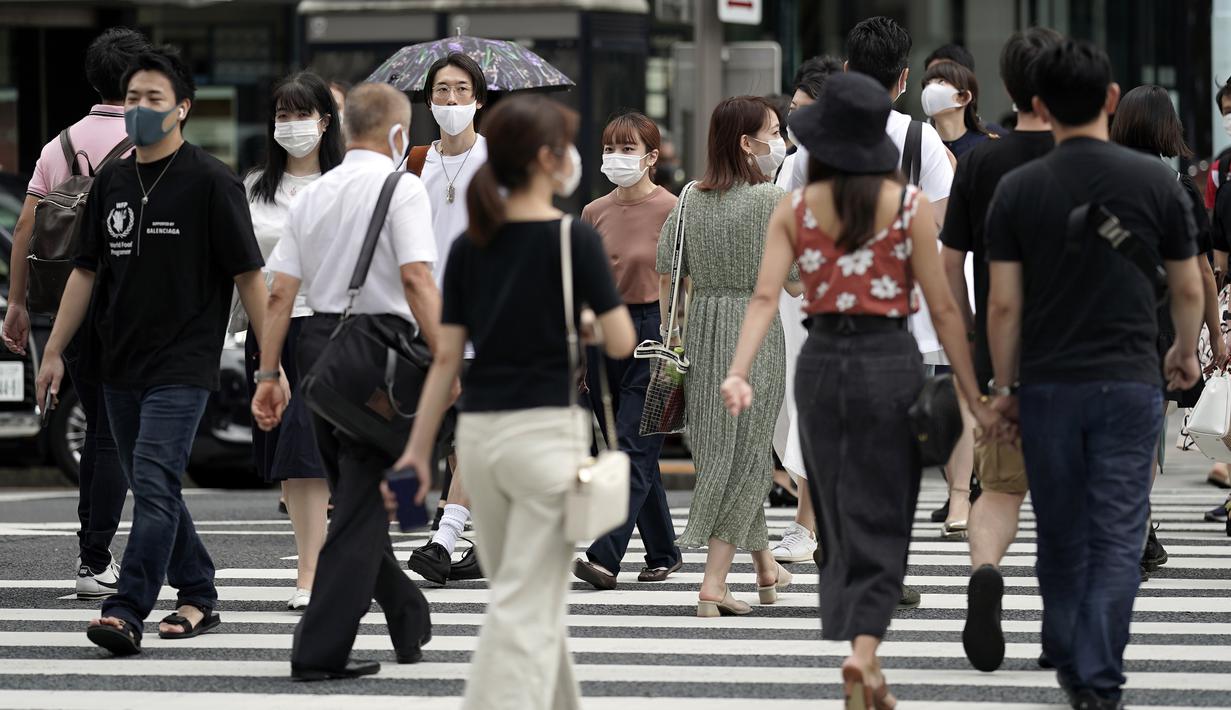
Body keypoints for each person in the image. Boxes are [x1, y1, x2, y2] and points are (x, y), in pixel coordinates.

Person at [723, 72, 1000, 710]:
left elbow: (767, 295)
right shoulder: (903, 207)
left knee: (839, 515)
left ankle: (854, 641)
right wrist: (972, 390)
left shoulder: (794, 208)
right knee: (887, 508)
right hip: (889, 362)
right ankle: (865, 653)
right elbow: (944, 307)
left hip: (821, 364)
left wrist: (739, 370)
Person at [384, 93, 635, 709]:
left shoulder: (473, 244)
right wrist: (585, 323)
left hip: (481, 443)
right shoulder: (572, 238)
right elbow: (624, 340)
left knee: (528, 593)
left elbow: (447, 357)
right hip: (545, 435)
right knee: (525, 599)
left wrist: (418, 452)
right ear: (550, 159)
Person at [985, 40, 1205, 709]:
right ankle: (1097, 675)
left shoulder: (1016, 189)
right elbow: (1188, 288)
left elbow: (1000, 304)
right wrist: (1184, 351)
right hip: (1131, 381)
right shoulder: (1156, 184)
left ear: (1040, 106)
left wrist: (1002, 388)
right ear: (1110, 101)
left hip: (1049, 384)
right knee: (1116, 530)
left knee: (1058, 526)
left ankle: (1065, 644)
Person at [34, 45, 269, 655]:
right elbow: (85, 271)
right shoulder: (112, 178)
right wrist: (55, 350)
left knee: (156, 478)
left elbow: (250, 278)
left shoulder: (213, 182)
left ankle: (127, 607)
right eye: (133, 99)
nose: (140, 110)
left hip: (183, 362)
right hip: (117, 361)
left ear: (182, 109)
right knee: (152, 483)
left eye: (154, 100)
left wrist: (270, 365)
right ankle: (199, 592)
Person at [251, 82, 438, 681]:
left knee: (356, 494)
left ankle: (407, 613)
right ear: (396, 133)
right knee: (359, 506)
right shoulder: (401, 187)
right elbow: (415, 280)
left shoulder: (313, 194)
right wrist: (448, 356)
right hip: (379, 356)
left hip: (317, 351)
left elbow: (280, 293)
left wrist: (267, 374)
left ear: (341, 127)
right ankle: (318, 650)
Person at [789, 15, 955, 608]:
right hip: (900, 324)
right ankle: (880, 564)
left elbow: (793, 230)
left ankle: (841, 545)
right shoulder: (923, 141)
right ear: (905, 77)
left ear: (848, 73)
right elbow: (937, 226)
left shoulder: (812, 142)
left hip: (828, 320)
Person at [3, 27, 148, 600]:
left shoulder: (59, 145)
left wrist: (18, 304)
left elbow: (23, 228)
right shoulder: (150, 138)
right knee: (111, 433)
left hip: (69, 303)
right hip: (130, 305)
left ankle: (94, 553)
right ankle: (95, 556)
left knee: (98, 426)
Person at [938, 26, 1061, 673]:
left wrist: (965, 339)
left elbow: (949, 262)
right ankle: (1061, 626)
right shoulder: (1084, 156)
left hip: (1000, 356)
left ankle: (985, 570)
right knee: (1070, 499)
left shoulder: (981, 160)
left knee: (999, 490)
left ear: (1007, 88)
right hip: (1079, 358)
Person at [662, 95, 799, 618]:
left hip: (702, 331)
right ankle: (712, 584)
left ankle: (765, 569)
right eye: (773, 131)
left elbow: (669, 270)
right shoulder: (772, 200)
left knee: (725, 449)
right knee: (747, 461)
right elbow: (794, 285)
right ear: (746, 143)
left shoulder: (690, 197)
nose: (779, 141)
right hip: (755, 334)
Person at [232, 71, 344, 612]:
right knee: (295, 457)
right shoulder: (255, 187)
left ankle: (320, 570)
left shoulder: (349, 181)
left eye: (302, 114)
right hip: (270, 328)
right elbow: (240, 266)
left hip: (332, 327)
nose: (291, 125)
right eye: (282, 115)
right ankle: (311, 569)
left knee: (316, 451)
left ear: (326, 121)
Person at [1109, 84, 1227, 580]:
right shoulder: (1175, 189)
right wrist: (1212, 338)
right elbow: (1200, 272)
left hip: (1092, 324)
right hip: (1153, 328)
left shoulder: (1094, 178)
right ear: (1166, 128)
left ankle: (1131, 526)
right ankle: (1135, 526)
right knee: (1144, 438)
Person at [571, 112, 683, 589]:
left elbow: (684, 280)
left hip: (655, 330)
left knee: (634, 447)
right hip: (602, 331)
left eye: (627, 149)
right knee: (625, 446)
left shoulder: (675, 208)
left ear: (652, 157)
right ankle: (663, 551)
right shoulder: (594, 211)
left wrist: (678, 337)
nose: (616, 158)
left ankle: (604, 555)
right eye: (610, 149)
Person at [406, 52, 488, 586]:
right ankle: (477, 536)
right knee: (441, 438)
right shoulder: (413, 162)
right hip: (422, 319)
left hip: (485, 321)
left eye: (461, 90)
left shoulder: (498, 160)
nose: (451, 101)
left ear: (479, 99)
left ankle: (444, 537)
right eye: (441, 91)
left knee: (476, 436)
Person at [772, 54, 842, 566]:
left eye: (802, 107)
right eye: (791, 106)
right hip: (791, 299)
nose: (792, 116)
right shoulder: (791, 161)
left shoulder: (854, 161)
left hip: (828, 302)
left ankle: (807, 522)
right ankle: (816, 520)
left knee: (809, 409)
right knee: (790, 410)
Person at [922, 60, 996, 159]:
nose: (930, 89)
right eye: (927, 84)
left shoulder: (986, 147)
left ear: (964, 97)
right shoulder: (919, 144)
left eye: (941, 82)